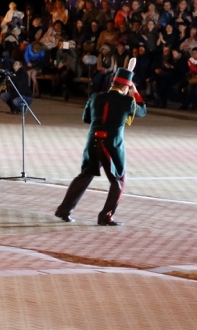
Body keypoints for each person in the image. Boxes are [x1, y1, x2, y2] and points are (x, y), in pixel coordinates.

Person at [55, 65, 147, 225]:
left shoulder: (95, 97)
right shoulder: (127, 101)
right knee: (118, 180)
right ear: (127, 86)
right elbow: (142, 111)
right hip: (111, 144)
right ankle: (106, 216)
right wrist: (136, 93)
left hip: (93, 140)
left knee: (85, 175)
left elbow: (86, 119)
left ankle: (64, 210)